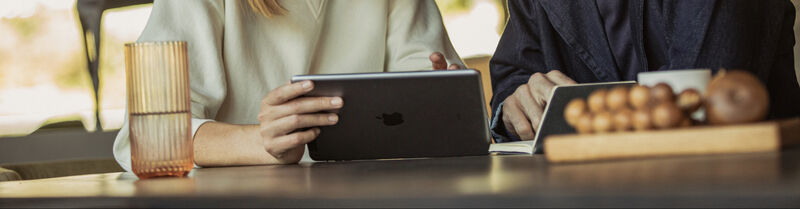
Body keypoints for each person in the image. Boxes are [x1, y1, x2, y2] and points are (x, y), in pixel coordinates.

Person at [113, 0, 463, 171]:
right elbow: (147, 138)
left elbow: (433, 101)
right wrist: (262, 142)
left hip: (368, 196)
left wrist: (437, 98)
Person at [490, 0, 800, 142]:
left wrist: (574, 111)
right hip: (587, 191)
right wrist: (516, 105)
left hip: (733, 188)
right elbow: (513, 74)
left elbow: (699, 94)